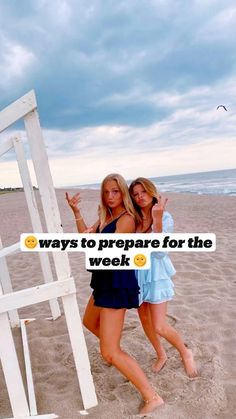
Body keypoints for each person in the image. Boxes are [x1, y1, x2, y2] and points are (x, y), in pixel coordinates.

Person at [66, 174, 164, 414]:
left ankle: (152, 397)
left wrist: (93, 239)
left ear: (123, 193)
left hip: (117, 283)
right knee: (89, 322)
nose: (110, 197)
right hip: (103, 280)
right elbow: (85, 239)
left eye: (115, 192)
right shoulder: (107, 217)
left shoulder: (127, 219)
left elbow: (106, 249)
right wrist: (76, 212)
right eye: (107, 192)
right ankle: (120, 357)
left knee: (109, 351)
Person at [129, 177, 198, 378]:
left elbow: (160, 253)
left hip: (157, 274)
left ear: (152, 192)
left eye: (143, 192)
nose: (140, 197)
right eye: (135, 194)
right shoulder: (133, 218)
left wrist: (157, 221)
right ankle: (161, 355)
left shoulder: (165, 217)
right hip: (136, 274)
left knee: (159, 325)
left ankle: (186, 352)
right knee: (144, 319)